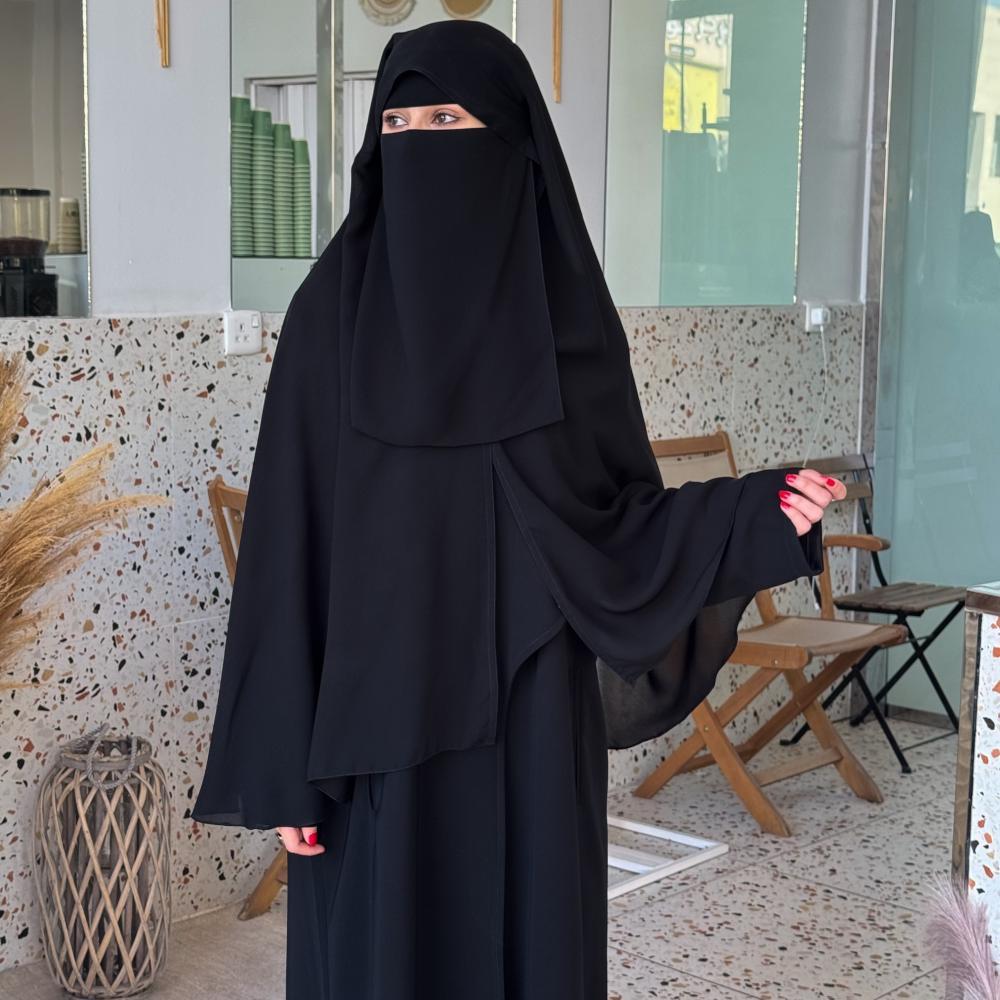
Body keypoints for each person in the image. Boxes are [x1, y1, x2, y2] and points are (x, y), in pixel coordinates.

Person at [191, 19, 842, 999]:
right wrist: (285, 768)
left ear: (512, 141)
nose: (418, 140)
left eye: (446, 119)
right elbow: (289, 553)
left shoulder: (562, 324)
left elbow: (613, 527)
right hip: (374, 742)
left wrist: (754, 516)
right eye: (397, 122)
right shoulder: (331, 317)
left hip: (531, 727)